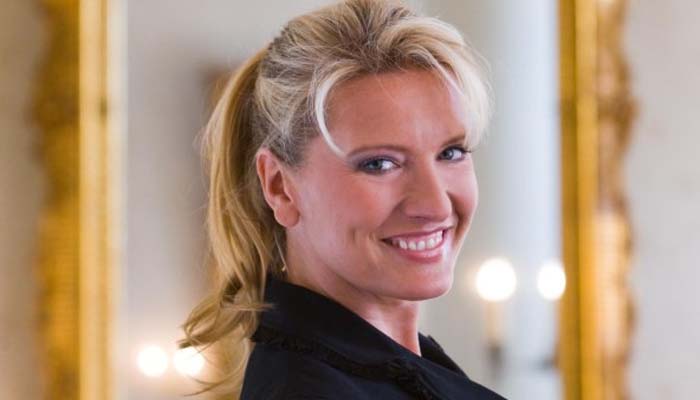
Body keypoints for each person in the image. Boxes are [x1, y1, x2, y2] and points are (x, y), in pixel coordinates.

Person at [180, 0, 505, 398]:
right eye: (380, 164)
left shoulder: (396, 371)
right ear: (280, 187)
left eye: (451, 153)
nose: (436, 205)